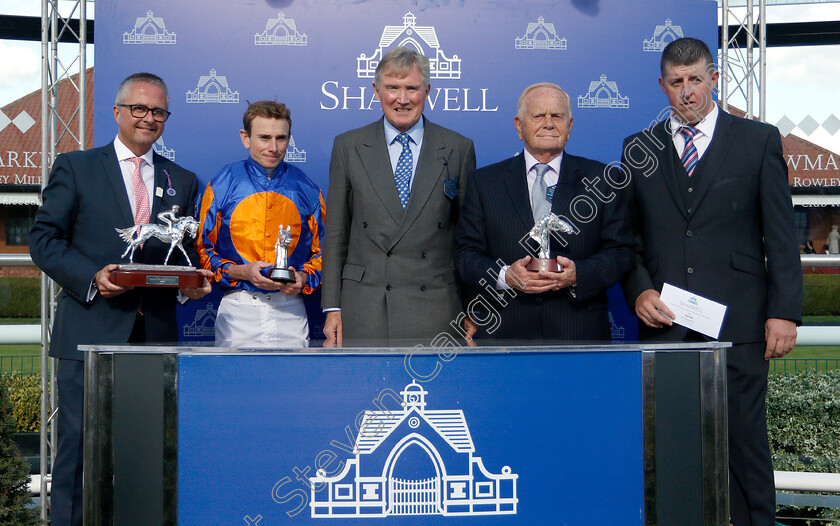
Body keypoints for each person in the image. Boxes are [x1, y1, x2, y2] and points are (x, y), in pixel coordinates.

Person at [620, 38, 802, 525]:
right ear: (662, 86)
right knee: (672, 453)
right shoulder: (637, 149)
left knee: (745, 448)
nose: (687, 92)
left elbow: (781, 236)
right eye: (676, 82)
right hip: (667, 326)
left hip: (741, 324)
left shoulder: (758, 140)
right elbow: (626, 239)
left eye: (696, 79)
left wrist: (783, 311)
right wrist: (639, 289)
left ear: (715, 79)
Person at [28, 72, 212, 526]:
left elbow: (183, 256)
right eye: (139, 109)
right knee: (78, 448)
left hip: (158, 337)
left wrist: (193, 285)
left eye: (158, 111)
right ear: (117, 112)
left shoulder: (182, 180)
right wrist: (92, 276)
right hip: (89, 330)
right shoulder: (76, 167)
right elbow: (43, 240)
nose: (149, 118)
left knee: (151, 451)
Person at [454, 83, 633, 339]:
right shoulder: (484, 182)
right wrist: (506, 277)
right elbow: (465, 254)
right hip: (506, 331)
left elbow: (621, 252)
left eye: (557, 116)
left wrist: (579, 275)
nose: (548, 123)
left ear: (569, 126)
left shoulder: (602, 179)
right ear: (519, 125)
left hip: (579, 332)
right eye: (538, 116)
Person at [321, 47, 476, 343]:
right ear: (376, 91)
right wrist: (332, 306)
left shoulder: (458, 147)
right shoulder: (347, 146)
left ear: (427, 91)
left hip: (437, 306)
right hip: (365, 305)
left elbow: (468, 238)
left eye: (412, 88)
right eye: (392, 88)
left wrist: (470, 306)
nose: (402, 99)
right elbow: (337, 233)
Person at [196, 101, 325, 345]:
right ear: (245, 138)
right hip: (238, 311)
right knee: (236, 383)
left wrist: (303, 278)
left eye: (281, 138)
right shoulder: (223, 183)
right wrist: (240, 271)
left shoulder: (307, 188)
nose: (274, 147)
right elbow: (203, 250)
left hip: (290, 310)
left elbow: (324, 256)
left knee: (293, 382)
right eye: (264, 137)